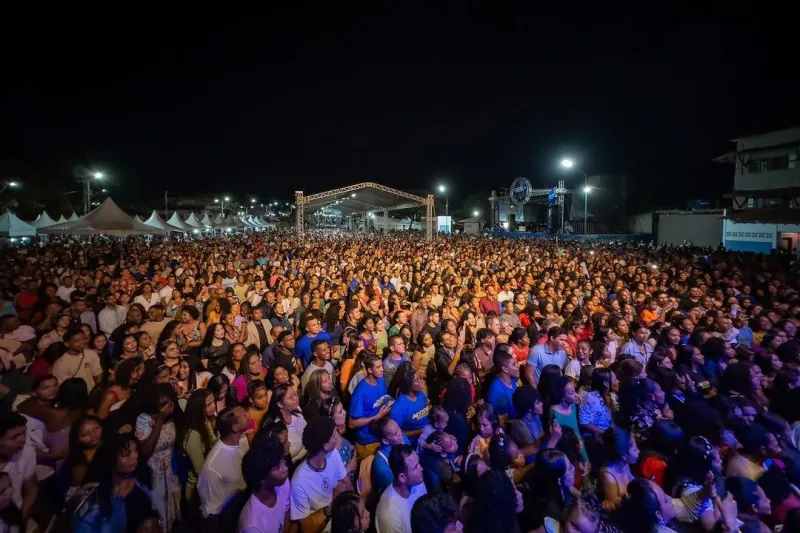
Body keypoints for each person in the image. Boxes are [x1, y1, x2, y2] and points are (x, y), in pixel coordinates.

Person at [290, 417, 353, 533]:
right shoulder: (299, 482)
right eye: (334, 435)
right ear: (325, 445)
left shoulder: (333, 454)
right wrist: (333, 501)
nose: (337, 437)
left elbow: (347, 484)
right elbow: (306, 529)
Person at [135, 383, 182, 531]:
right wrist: (160, 420)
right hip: (153, 472)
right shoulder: (145, 419)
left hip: (171, 470)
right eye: (161, 403)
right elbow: (145, 450)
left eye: (167, 402)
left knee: (171, 514)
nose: (165, 406)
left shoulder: (174, 416)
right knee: (158, 514)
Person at [197, 406, 251, 522]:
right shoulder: (212, 468)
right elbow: (211, 514)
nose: (249, 415)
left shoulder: (242, 439)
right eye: (244, 415)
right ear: (235, 427)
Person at [237, 434, 291, 533]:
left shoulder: (283, 484)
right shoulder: (252, 526)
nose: (285, 468)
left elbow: (286, 515)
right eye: (277, 467)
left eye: (282, 462)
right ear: (261, 478)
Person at [375, 444, 428, 533]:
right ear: (402, 477)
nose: (421, 468)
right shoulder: (389, 514)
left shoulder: (418, 482)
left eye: (419, 463)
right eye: (415, 467)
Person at [348, 354, 391, 460]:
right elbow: (352, 424)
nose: (382, 369)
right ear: (370, 370)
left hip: (381, 434)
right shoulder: (360, 392)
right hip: (367, 441)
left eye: (382, 366)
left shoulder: (381, 380)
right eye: (378, 367)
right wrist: (377, 416)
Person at [182, 390, 218, 509]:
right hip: (196, 491)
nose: (214, 406)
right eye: (209, 404)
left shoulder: (206, 421)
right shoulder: (193, 435)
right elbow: (200, 469)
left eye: (213, 402)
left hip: (206, 484)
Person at [0, 413, 37, 524]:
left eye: (24, 433)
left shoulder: (27, 452)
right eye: (14, 437)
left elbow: (31, 490)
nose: (22, 439)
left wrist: (21, 521)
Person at [389, 362, 430, 444]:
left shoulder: (421, 395)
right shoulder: (398, 408)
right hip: (411, 444)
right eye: (417, 380)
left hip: (426, 439)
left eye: (420, 378)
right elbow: (396, 434)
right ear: (409, 385)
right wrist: (420, 431)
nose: (421, 381)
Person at [52, 328, 103, 392]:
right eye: (77, 341)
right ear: (67, 344)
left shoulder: (91, 353)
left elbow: (98, 374)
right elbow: (64, 388)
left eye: (83, 339)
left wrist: (96, 391)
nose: (82, 342)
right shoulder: (60, 364)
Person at [486, 345, 520, 426]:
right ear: (505, 369)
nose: (518, 366)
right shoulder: (498, 393)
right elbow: (503, 424)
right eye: (514, 364)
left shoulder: (511, 379)